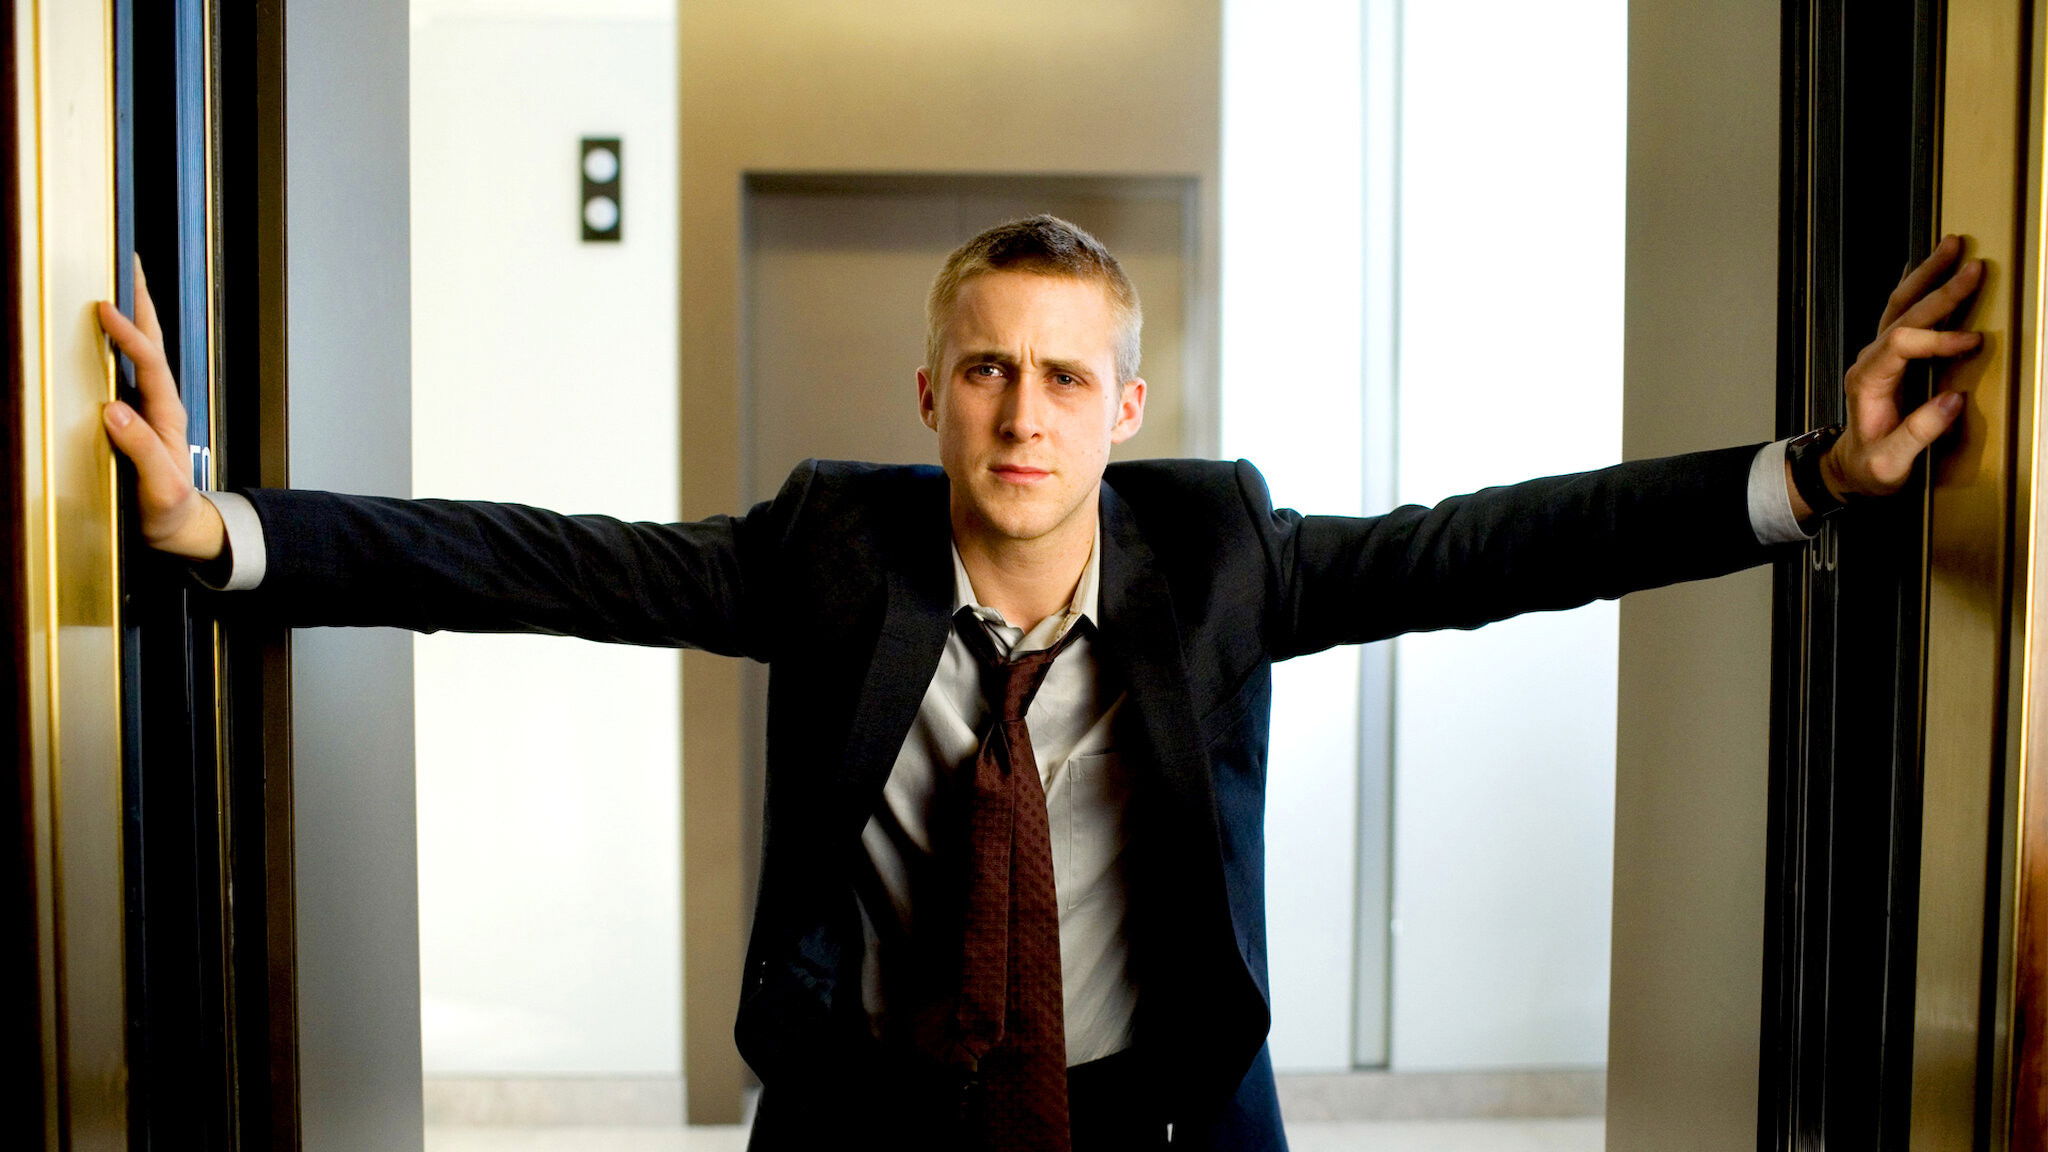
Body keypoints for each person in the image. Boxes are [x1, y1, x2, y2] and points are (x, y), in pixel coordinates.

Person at [97, 216, 1984, 1151]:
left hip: (1157, 1114)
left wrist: (1817, 473)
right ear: (931, 392)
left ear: (1126, 409)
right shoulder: (830, 551)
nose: (1024, 412)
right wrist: (221, 526)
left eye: (1066, 377)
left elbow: (1494, 546)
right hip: (870, 1118)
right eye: (988, 370)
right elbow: (541, 563)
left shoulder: (1224, 552)